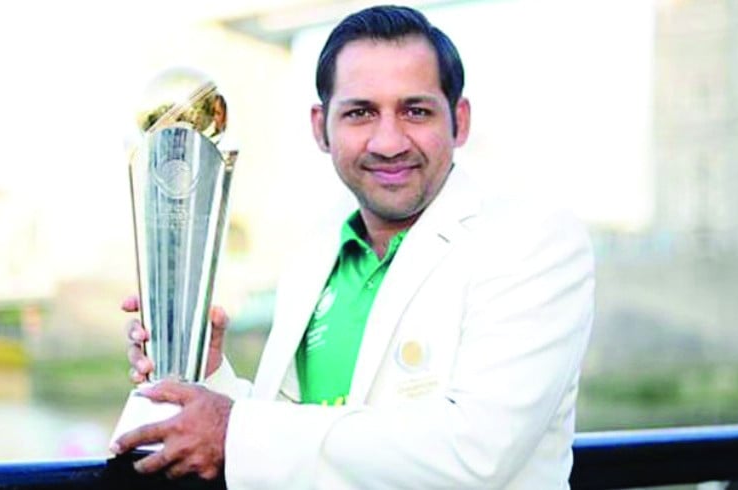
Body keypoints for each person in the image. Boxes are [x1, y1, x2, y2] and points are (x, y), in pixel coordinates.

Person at [112, 5, 594, 489]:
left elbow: (474, 453)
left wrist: (231, 428)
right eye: (360, 113)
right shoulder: (315, 253)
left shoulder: (533, 240)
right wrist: (209, 376)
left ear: (460, 121)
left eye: (416, 111)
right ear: (321, 127)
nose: (388, 142)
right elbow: (292, 435)